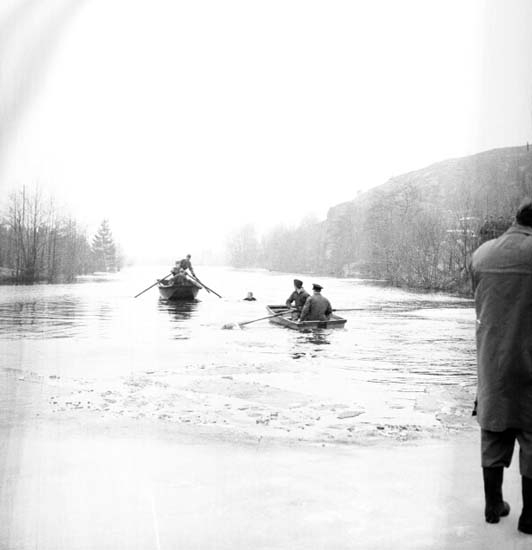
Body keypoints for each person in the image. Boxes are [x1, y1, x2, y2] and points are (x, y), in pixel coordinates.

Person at [471, 200, 532, 533]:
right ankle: (530, 516)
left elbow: (483, 306)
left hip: (492, 363)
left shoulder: (482, 255)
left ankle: (493, 505)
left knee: (493, 431)